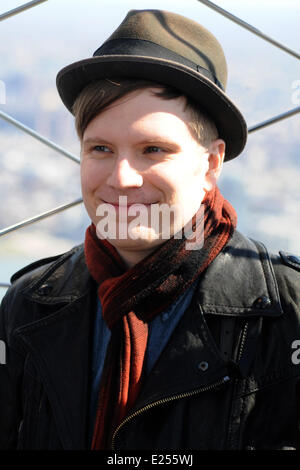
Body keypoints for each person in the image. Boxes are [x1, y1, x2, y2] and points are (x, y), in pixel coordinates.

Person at [0, 9, 300, 451]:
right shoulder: (29, 307)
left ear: (210, 165)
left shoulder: (286, 317)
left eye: (153, 149)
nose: (122, 177)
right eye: (100, 148)